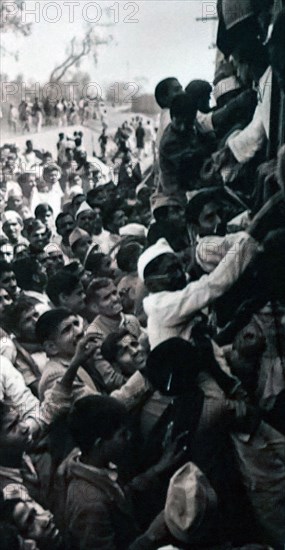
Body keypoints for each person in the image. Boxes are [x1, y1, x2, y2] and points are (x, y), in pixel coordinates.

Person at [137, 233, 258, 349]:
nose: (180, 275)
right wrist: (244, 243)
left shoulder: (173, 291)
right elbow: (212, 285)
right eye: (170, 272)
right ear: (151, 284)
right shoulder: (162, 306)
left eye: (179, 267)